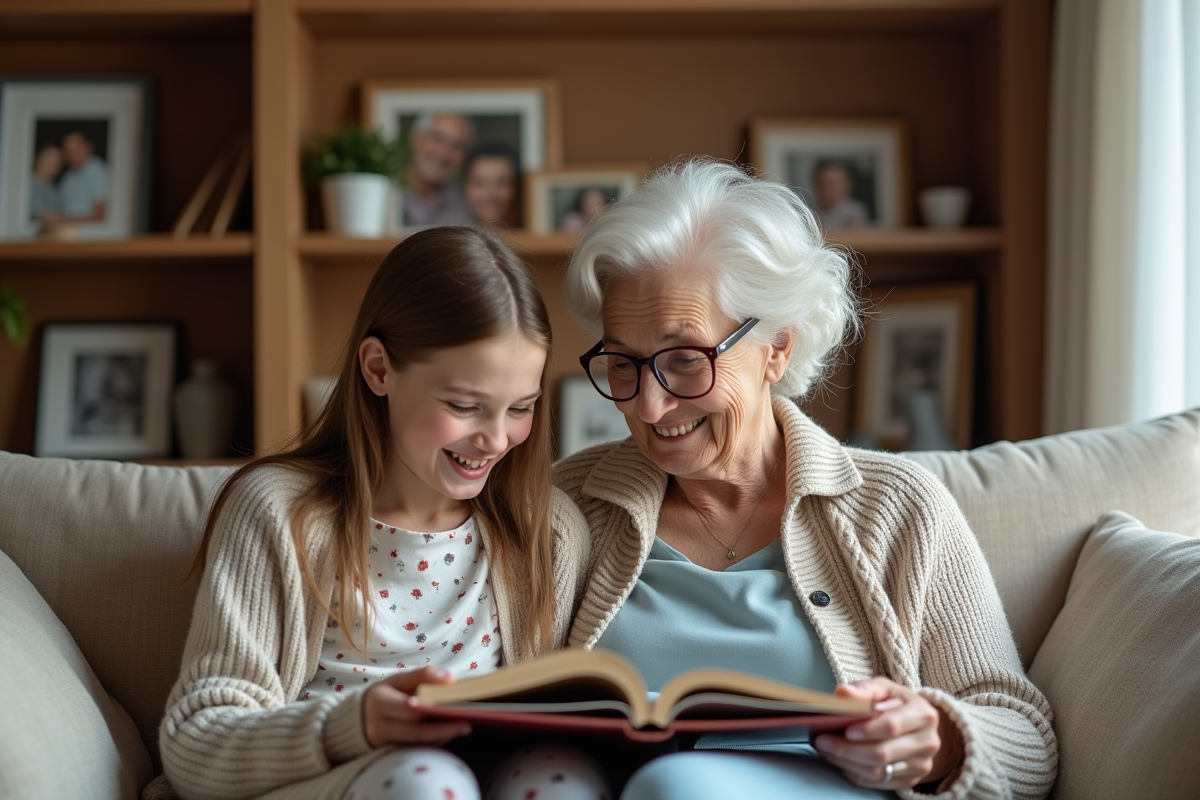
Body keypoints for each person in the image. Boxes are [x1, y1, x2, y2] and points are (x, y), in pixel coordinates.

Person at [554, 160, 1057, 799]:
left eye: (685, 361)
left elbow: (1027, 739)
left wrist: (938, 740)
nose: (648, 407)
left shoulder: (895, 509)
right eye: (622, 363)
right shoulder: (567, 504)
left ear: (778, 348)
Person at [159, 227, 607, 800]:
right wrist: (356, 723)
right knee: (426, 781)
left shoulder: (549, 531)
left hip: (489, 778)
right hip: (338, 782)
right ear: (378, 369)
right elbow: (194, 742)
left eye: (520, 408)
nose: (496, 438)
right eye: (464, 406)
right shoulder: (281, 513)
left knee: (562, 778)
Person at [401, 113, 474, 228]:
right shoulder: (382, 191)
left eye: (456, 146)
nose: (443, 154)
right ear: (415, 138)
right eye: (437, 139)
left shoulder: (466, 207)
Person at [45, 131, 109, 224]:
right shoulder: (68, 177)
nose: (73, 155)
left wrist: (60, 220)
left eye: (77, 149)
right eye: (68, 151)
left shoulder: (101, 173)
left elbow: (99, 217)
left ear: (89, 147)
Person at [463, 143, 521, 228]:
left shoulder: (531, 234)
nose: (489, 195)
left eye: (501, 184)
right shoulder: (450, 234)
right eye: (480, 183)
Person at [813, 159, 869, 229]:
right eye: (822, 183)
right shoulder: (812, 211)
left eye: (833, 184)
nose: (826, 188)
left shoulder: (854, 212)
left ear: (848, 186)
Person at [30, 143, 63, 225]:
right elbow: (43, 216)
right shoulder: (26, 184)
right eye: (49, 158)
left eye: (57, 164)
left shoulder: (54, 189)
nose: (54, 161)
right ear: (38, 159)